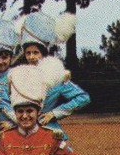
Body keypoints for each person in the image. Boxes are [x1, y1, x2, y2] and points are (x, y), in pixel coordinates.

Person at [17, 12, 90, 140]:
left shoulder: (57, 76)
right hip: (23, 131)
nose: (31, 57)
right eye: (28, 53)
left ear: (43, 54)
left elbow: (83, 97)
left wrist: (54, 113)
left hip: (48, 130)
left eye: (36, 53)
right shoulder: (19, 75)